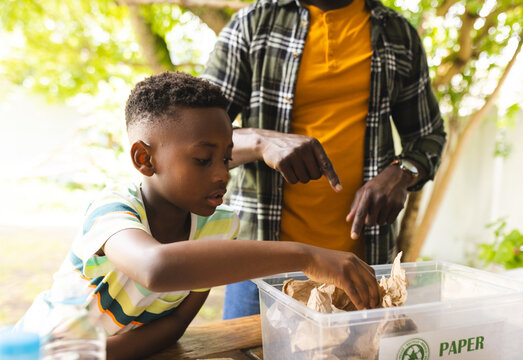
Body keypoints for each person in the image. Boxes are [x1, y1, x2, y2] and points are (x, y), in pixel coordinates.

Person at [14, 72, 380, 360]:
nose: (222, 174)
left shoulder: (219, 227)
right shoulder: (112, 212)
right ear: (144, 159)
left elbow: (175, 325)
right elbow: (156, 268)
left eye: (226, 158)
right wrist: (307, 255)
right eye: (203, 160)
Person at [203, 0, 446, 319]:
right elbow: (198, 141)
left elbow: (429, 136)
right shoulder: (252, 24)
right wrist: (262, 142)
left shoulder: (397, 34)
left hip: (361, 274)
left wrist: (402, 173)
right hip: (259, 272)